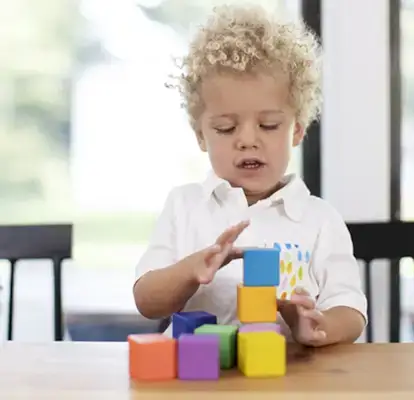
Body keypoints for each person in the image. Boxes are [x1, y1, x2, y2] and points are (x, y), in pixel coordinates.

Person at [133, 4, 367, 347]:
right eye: (226, 128)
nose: (247, 140)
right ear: (201, 135)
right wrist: (191, 270)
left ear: (297, 131)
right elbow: (146, 301)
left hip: (287, 381)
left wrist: (319, 327)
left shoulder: (320, 220)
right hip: (201, 383)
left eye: (269, 125)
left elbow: (349, 308)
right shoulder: (184, 206)